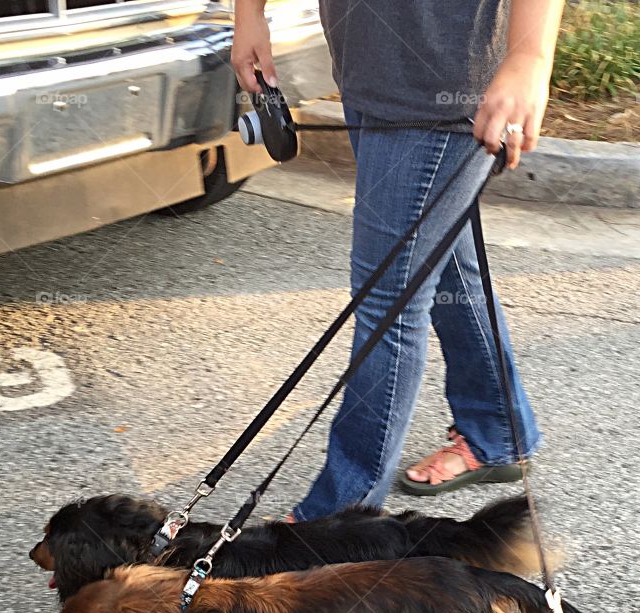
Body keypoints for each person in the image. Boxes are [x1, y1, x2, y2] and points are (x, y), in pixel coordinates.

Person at [232, 0, 563, 520]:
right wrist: (249, 12)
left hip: (441, 85)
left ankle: (341, 519)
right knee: (445, 266)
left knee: (389, 299)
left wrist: (529, 59)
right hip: (369, 67)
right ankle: (497, 430)